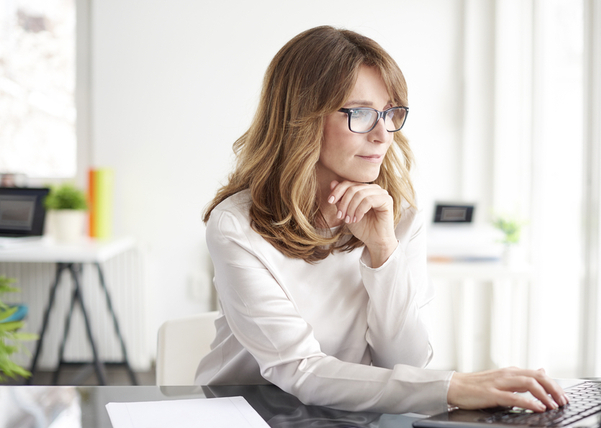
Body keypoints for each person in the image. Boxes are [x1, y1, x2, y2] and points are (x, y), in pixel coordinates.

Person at [196, 25, 567, 415]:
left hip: (342, 415)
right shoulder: (236, 226)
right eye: (360, 113)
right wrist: (455, 386)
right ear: (302, 118)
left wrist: (384, 251)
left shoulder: (399, 216)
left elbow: (404, 364)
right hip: (241, 411)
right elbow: (300, 370)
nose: (382, 134)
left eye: (390, 113)